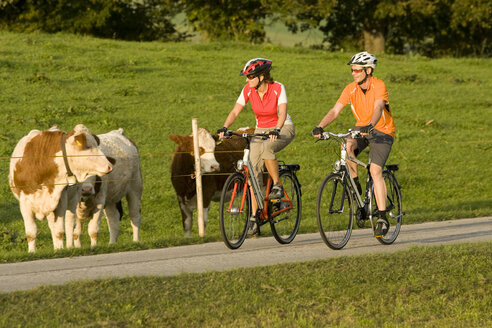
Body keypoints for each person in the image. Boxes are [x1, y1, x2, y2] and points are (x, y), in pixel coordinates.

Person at [312, 51, 395, 237]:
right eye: (352, 70)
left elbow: (378, 108)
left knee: (375, 171)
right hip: (360, 128)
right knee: (346, 146)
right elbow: (335, 110)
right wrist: (320, 126)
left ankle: (382, 217)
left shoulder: (379, 85)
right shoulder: (350, 88)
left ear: (368, 70)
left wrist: (370, 125)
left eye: (357, 70)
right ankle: (356, 188)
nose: (353, 73)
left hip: (382, 130)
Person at [218, 58, 295, 234]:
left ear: (261, 76)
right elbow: (235, 110)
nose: (247, 80)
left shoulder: (277, 88)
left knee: (268, 148)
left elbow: (282, 112)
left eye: (250, 76)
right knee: (252, 170)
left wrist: (277, 129)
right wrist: (225, 127)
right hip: (261, 129)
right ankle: (255, 216)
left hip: (283, 127)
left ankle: (277, 185)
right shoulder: (248, 90)